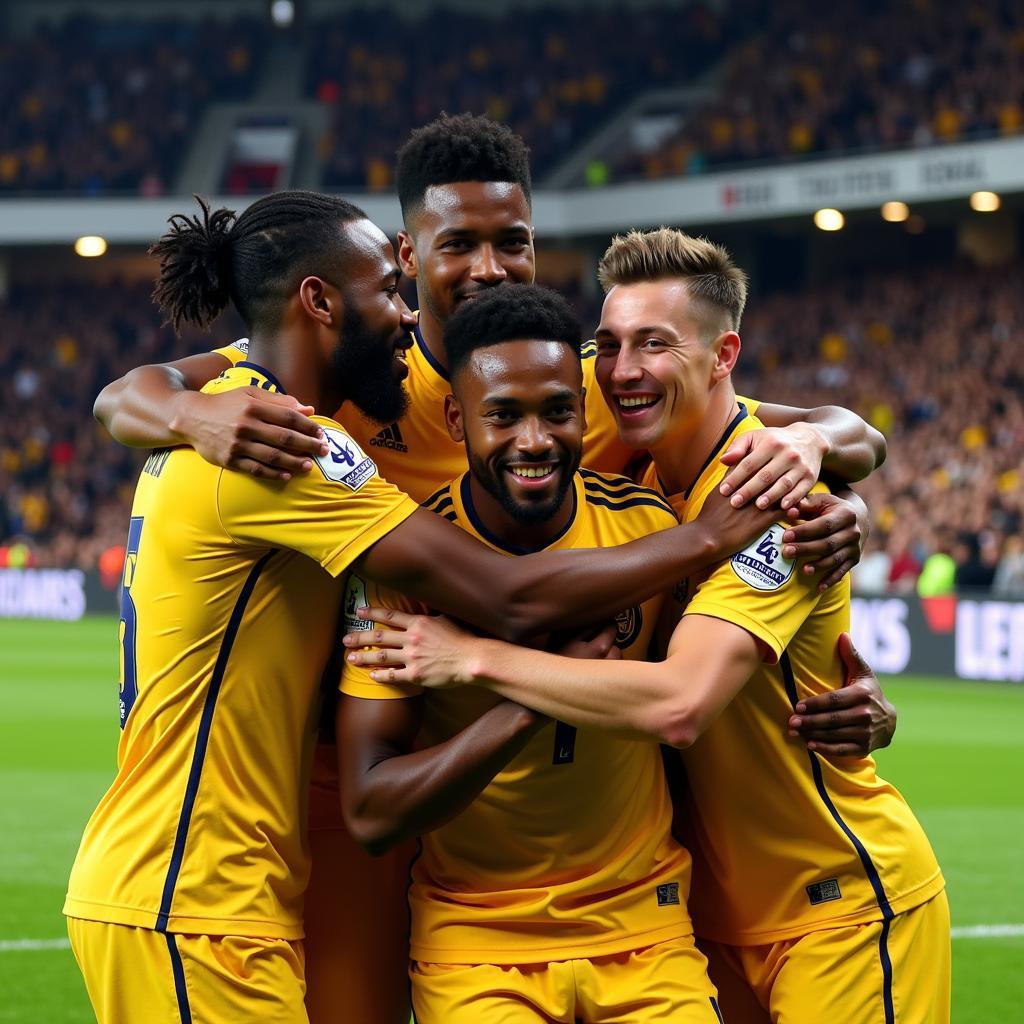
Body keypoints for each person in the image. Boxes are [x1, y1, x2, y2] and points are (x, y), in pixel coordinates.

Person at [89, 116, 888, 1022]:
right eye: (456, 244)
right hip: (345, 773)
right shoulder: (336, 391)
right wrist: (185, 414)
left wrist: (819, 465)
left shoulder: (577, 377)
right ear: (407, 256)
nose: (488, 267)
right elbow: (127, 391)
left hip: (611, 816)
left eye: (513, 243)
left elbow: (833, 432)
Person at [345, 229, 948, 1024]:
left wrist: (476, 658)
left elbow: (678, 701)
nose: (624, 370)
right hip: (714, 916)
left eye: (654, 345)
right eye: (611, 346)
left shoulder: (773, 496)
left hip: (828, 899)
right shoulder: (658, 489)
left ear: (723, 355)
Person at [338, 283, 729, 1022]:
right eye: (503, 415)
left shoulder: (649, 530)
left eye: (556, 411)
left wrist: (856, 703)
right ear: (458, 418)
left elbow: (711, 686)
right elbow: (371, 809)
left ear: (585, 411)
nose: (534, 440)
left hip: (645, 924)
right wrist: (531, 704)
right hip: (476, 938)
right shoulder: (400, 572)